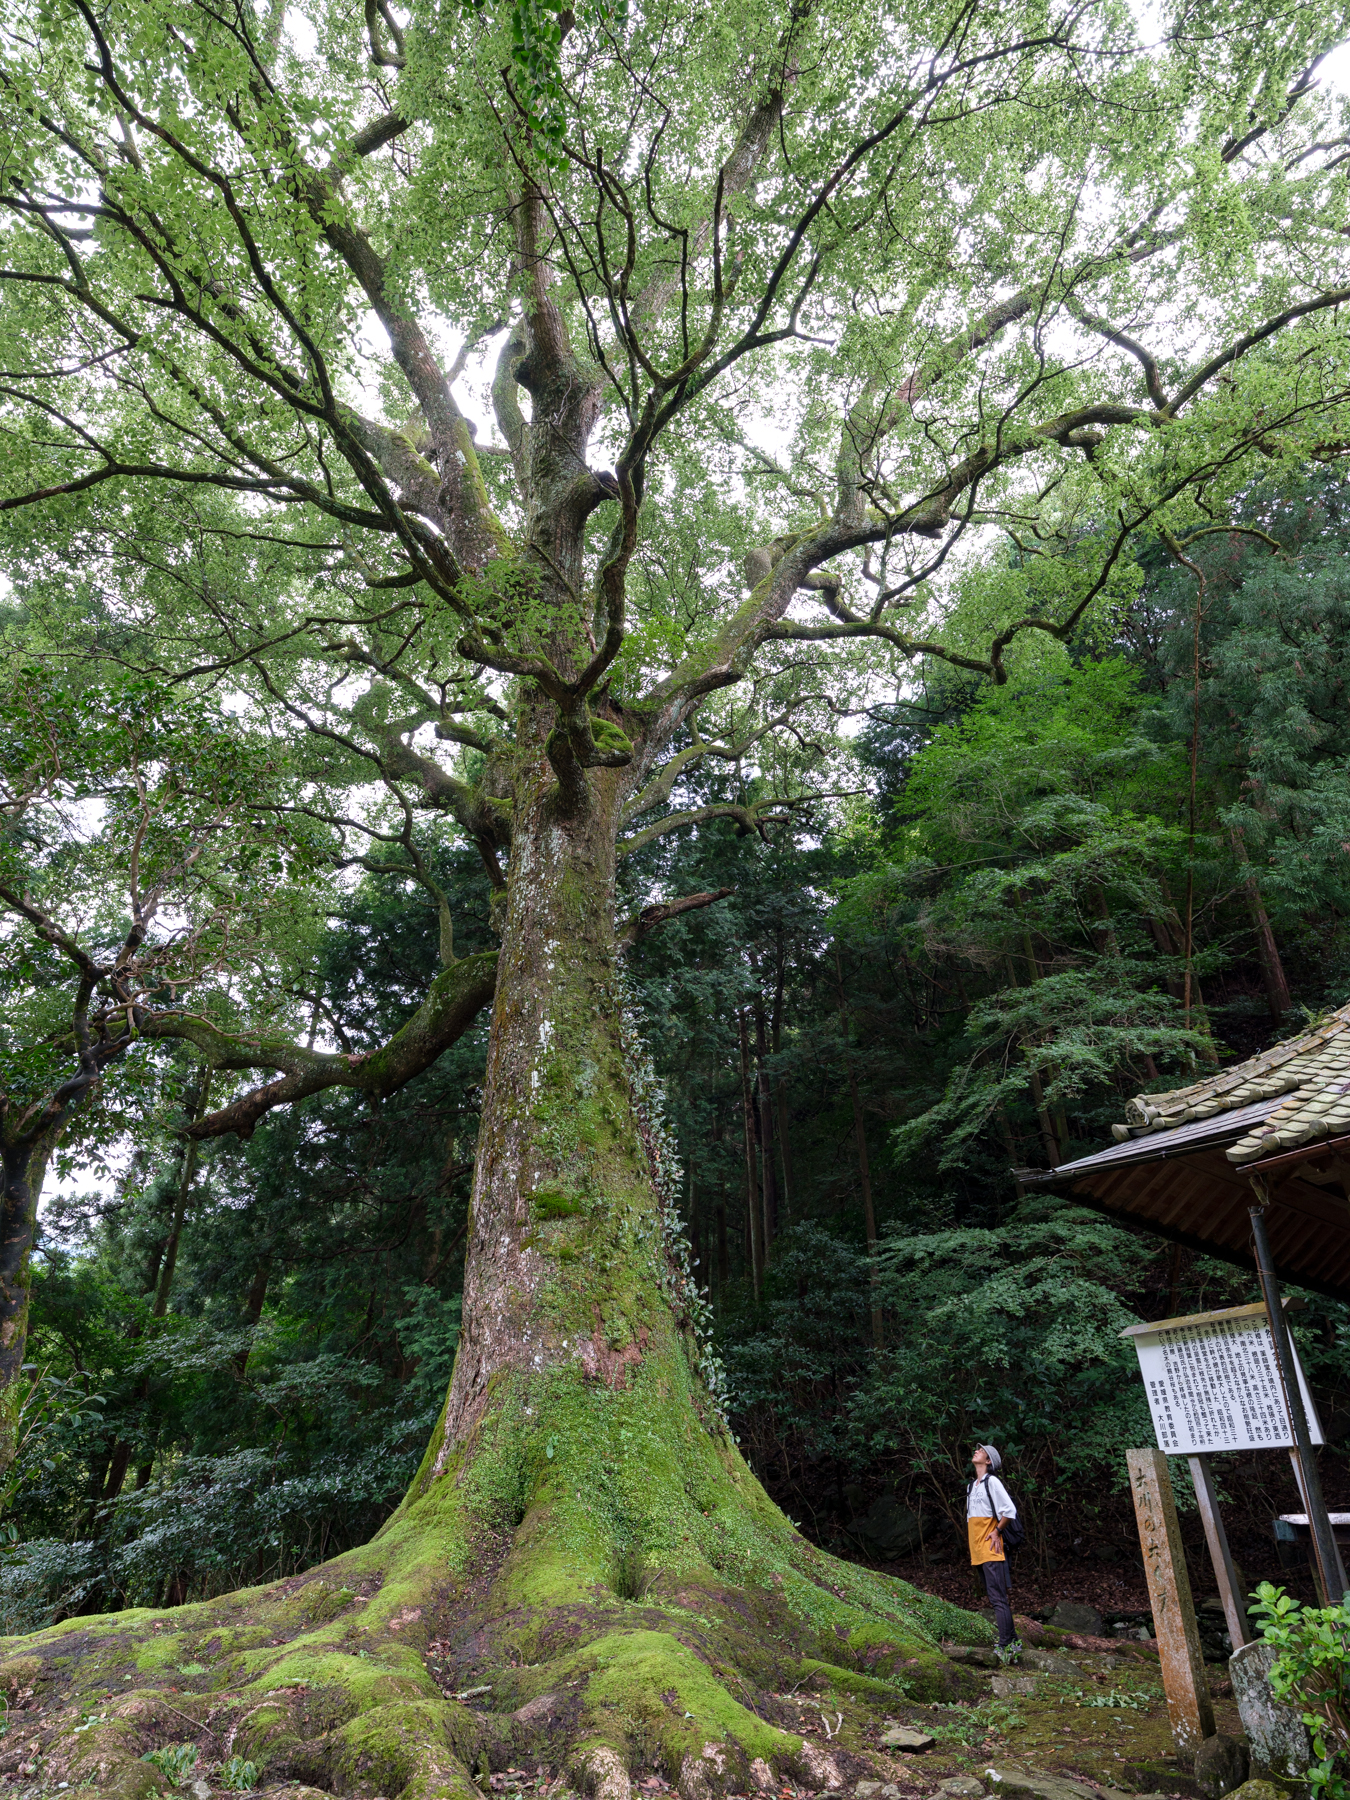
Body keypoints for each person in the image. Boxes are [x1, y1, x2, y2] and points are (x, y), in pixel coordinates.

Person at [967, 1443, 1020, 1657]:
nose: (976, 1451)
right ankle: (1014, 1641)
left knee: (998, 1598)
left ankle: (1004, 1644)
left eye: (982, 1451)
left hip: (991, 1548)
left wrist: (997, 1532)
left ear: (988, 1461)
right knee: (994, 1596)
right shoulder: (971, 1486)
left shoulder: (992, 1482)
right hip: (978, 1549)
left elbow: (1010, 1511)